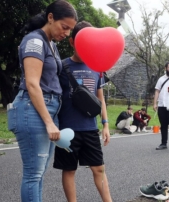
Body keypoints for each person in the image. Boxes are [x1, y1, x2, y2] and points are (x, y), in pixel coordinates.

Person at [7, 1, 77, 201]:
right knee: (33, 174)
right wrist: (48, 122)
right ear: (51, 17)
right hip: (33, 108)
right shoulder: (35, 41)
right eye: (64, 27)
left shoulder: (51, 45)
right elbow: (32, 83)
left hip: (48, 109)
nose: (66, 33)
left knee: (39, 174)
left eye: (70, 30)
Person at [53, 21, 112, 202]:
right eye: (81, 44)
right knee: (70, 169)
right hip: (67, 130)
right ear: (72, 42)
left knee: (99, 168)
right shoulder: (61, 66)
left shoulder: (97, 68)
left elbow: (100, 98)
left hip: (89, 128)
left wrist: (105, 124)